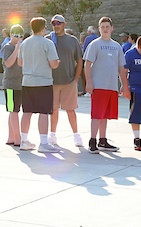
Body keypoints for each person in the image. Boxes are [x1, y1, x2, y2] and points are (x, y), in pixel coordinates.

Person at [17, 17, 60, 152]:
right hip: (43, 82)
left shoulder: (24, 43)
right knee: (43, 112)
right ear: (43, 28)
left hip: (27, 82)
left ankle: (24, 141)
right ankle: (43, 143)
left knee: (27, 112)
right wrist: (58, 62)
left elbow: (20, 63)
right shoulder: (47, 43)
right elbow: (53, 64)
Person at [84, 16, 122, 153]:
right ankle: (92, 141)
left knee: (105, 115)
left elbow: (121, 67)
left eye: (107, 27)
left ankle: (103, 140)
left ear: (112, 28)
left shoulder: (117, 46)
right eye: (103, 27)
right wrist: (89, 82)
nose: (105, 29)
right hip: (98, 85)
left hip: (111, 86)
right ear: (99, 29)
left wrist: (123, 84)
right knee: (97, 115)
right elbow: (87, 64)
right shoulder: (95, 44)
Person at [48, 14, 84, 149]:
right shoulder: (48, 40)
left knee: (71, 109)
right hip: (52, 82)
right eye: (53, 23)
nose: (56, 26)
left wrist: (76, 79)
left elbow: (79, 60)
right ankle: (52, 134)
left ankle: (76, 135)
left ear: (64, 24)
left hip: (69, 81)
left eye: (58, 23)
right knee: (54, 109)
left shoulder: (72, 40)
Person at [2, 24, 25, 145]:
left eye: (21, 36)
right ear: (11, 35)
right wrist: (16, 49)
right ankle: (17, 138)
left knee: (14, 111)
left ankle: (11, 137)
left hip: (20, 83)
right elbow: (9, 63)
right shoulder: (7, 47)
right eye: (16, 36)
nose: (18, 38)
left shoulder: (23, 46)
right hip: (10, 84)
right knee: (13, 110)